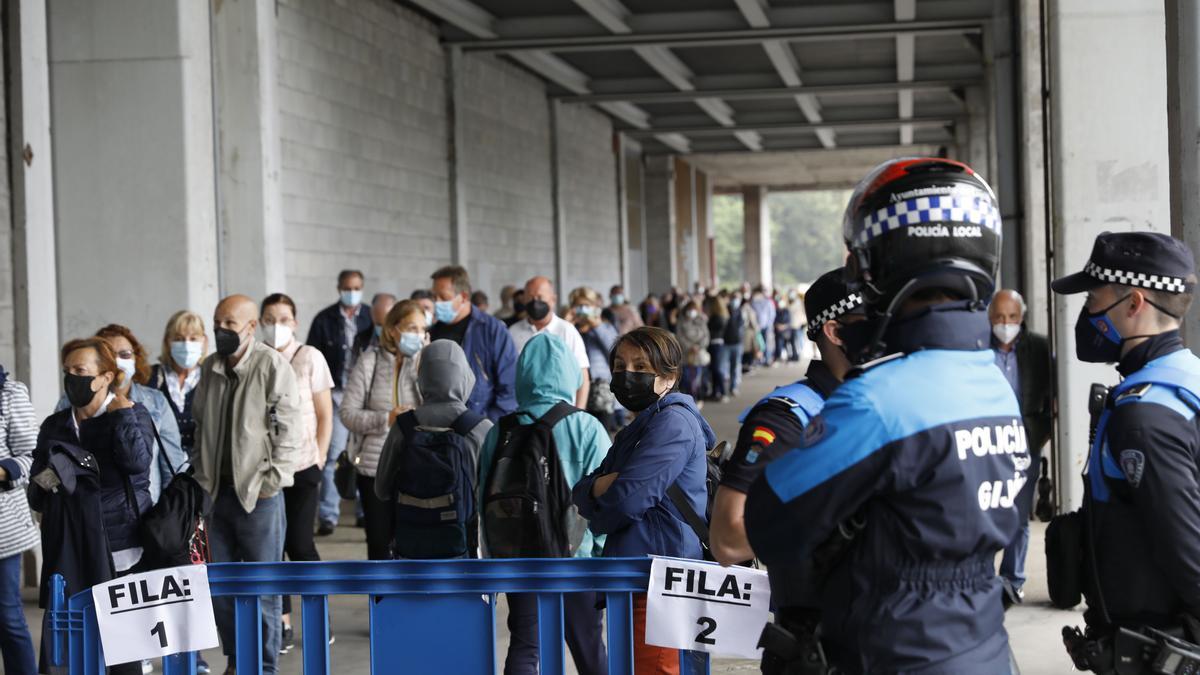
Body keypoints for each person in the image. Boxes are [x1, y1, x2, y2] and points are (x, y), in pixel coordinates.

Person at [744, 158, 1029, 673]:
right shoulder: (991, 380)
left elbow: (771, 522)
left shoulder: (879, 399)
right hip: (982, 641)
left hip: (898, 649)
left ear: (879, 263)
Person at [1050, 232, 1200, 671]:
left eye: (1094, 298)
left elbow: (1186, 545)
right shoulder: (1186, 380)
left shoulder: (1144, 416)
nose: (1088, 312)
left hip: (1158, 648)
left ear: (1134, 303)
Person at [709, 269, 862, 669]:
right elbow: (728, 538)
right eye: (876, 320)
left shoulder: (890, 401)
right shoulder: (788, 415)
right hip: (817, 641)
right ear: (835, 331)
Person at [573, 327, 713, 674]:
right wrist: (598, 490)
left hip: (662, 578)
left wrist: (603, 497)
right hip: (642, 575)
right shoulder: (639, 428)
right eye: (620, 366)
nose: (626, 375)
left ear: (668, 377)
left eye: (640, 366)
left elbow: (626, 501)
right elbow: (582, 491)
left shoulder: (673, 424)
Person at [478, 333, 610, 675]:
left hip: (518, 557)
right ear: (568, 373)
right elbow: (605, 501)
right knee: (590, 650)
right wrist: (599, 554)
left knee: (525, 645)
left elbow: (483, 497)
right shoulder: (586, 427)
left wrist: (493, 555)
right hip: (574, 559)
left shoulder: (500, 430)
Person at [193, 294, 305, 674]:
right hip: (214, 495)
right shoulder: (209, 368)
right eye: (217, 322)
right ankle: (238, 662)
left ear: (251, 327)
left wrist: (271, 483)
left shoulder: (271, 365)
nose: (220, 330)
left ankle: (266, 666)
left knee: (264, 591)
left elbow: (290, 431)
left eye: (229, 323)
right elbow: (198, 425)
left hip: (259, 497)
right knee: (222, 589)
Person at [31, 338, 156, 675]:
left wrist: (123, 418)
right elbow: (36, 492)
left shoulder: (133, 414)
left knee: (123, 653)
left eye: (81, 371)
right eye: (68, 371)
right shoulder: (54, 426)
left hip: (119, 549)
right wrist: (56, 475)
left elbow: (137, 465)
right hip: (68, 550)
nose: (73, 379)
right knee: (66, 647)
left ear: (105, 377)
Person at [260, 293, 335, 655]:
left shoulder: (310, 357)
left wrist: (320, 455)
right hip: (266, 469)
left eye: (284, 318)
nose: (277, 324)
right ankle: (283, 622)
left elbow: (324, 413)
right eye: (269, 318)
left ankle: (320, 616)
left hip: (304, 466)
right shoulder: (257, 357)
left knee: (300, 544)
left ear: (295, 320)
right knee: (271, 548)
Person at [374, 339, 493, 554]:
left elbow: (381, 489)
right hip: (465, 550)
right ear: (465, 376)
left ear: (422, 377)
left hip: (411, 550)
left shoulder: (404, 426)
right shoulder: (480, 428)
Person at [341, 300, 427, 560]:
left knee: (413, 541)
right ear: (392, 329)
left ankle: (409, 598)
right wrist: (385, 419)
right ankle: (380, 600)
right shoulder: (369, 362)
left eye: (422, 329)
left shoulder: (425, 362)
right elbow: (347, 414)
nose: (418, 335)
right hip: (374, 468)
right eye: (411, 327)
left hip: (417, 465)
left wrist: (425, 365)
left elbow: (440, 406)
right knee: (379, 542)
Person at [988, 288, 1053, 605]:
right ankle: (985, 579)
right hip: (985, 441)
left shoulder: (1038, 348)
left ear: (1022, 317)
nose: (1005, 323)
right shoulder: (978, 350)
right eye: (999, 317)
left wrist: (1041, 432)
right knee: (984, 510)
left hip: (1025, 441)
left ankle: (1013, 580)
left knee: (1017, 515)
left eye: (1012, 317)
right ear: (989, 317)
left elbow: (1053, 394)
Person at [78, 324, 189, 505]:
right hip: (89, 512)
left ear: (136, 359)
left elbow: (173, 468)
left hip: (145, 513)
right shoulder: (73, 401)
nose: (118, 361)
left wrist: (168, 516)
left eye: (125, 355)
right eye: (109, 355)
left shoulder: (156, 402)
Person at [307, 270, 373, 536]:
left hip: (363, 396)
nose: (351, 292)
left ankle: (362, 512)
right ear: (338, 288)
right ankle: (328, 515)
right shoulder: (324, 319)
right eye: (347, 287)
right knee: (333, 453)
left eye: (356, 287)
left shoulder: (370, 316)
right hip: (334, 395)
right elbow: (313, 356)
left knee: (363, 454)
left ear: (362, 287)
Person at [429, 265, 518, 421]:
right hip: (439, 424)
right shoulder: (432, 333)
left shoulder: (492, 331)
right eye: (434, 297)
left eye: (443, 297)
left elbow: (510, 388)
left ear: (463, 297)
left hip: (480, 423)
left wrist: (487, 425)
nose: (437, 303)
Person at [0, 367, 40, 675]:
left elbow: (33, 455)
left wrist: (3, 470)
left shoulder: (10, 394)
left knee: (8, 617)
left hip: (4, 531)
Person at [509, 276, 589, 409]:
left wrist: (578, 412)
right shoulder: (513, 332)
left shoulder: (567, 331)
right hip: (524, 414)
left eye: (540, 298)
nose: (535, 302)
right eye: (530, 297)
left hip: (562, 412)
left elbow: (583, 377)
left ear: (553, 299)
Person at [148, 310, 207, 459]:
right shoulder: (151, 377)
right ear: (168, 341)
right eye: (179, 339)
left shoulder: (211, 378)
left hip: (202, 469)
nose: (187, 345)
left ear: (204, 341)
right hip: (161, 466)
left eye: (193, 338)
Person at [569, 287, 622, 430]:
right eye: (579, 306)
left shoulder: (605, 327)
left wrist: (596, 326)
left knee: (603, 436)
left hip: (601, 394)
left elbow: (615, 351)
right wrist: (568, 324)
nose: (582, 310)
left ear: (595, 307)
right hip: (575, 391)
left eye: (586, 306)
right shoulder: (569, 330)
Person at [674, 299, 709, 403]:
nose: (692, 312)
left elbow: (706, 336)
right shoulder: (681, 321)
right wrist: (690, 347)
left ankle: (697, 397)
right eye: (690, 310)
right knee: (686, 378)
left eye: (694, 310)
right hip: (686, 354)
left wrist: (698, 347)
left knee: (697, 378)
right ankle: (687, 399)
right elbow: (680, 337)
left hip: (698, 354)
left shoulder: (701, 321)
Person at [352, 293, 397, 361]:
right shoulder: (360, 339)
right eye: (379, 324)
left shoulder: (401, 341)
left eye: (386, 324)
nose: (382, 329)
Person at [703, 295, 729, 401]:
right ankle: (715, 392)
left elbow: (712, 331)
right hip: (716, 344)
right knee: (714, 369)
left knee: (717, 369)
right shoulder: (719, 316)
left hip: (716, 344)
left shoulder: (718, 317)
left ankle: (723, 392)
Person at [751, 285, 776, 366]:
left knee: (766, 343)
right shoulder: (753, 302)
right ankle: (759, 359)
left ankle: (766, 358)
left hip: (766, 326)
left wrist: (769, 324)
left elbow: (772, 314)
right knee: (758, 344)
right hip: (756, 327)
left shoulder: (768, 302)